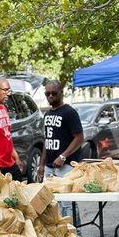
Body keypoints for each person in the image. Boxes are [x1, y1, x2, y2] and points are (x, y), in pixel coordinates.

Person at [37, 80, 84, 219]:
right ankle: (63, 236)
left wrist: (63, 156)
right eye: (47, 93)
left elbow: (79, 137)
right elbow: (48, 140)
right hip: (50, 167)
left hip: (67, 166)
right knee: (53, 204)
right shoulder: (47, 114)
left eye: (54, 93)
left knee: (68, 205)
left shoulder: (69, 112)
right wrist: (41, 164)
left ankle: (76, 235)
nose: (50, 96)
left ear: (61, 93)